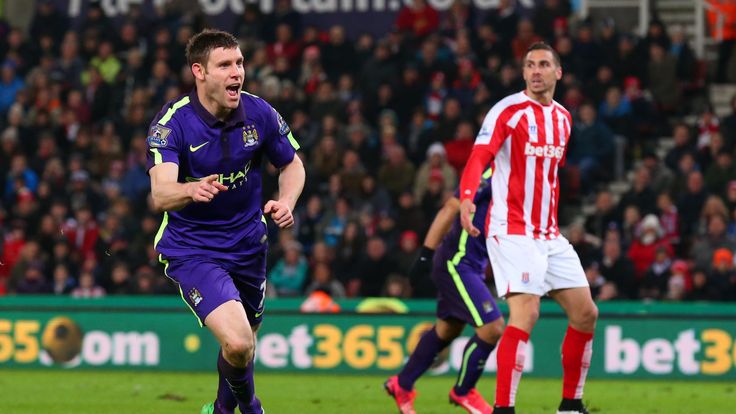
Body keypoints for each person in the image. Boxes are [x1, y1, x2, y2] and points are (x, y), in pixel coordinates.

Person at [146, 29, 305, 414]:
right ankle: (252, 408)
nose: (237, 73)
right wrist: (190, 189)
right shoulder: (173, 123)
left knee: (242, 346)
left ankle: (220, 410)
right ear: (199, 71)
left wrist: (286, 201)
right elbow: (161, 193)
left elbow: (292, 164)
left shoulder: (260, 113)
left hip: (249, 245)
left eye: (239, 63)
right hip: (193, 249)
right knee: (238, 344)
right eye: (225, 65)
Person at [458, 42, 598, 414]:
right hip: (511, 229)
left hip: (548, 234)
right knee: (527, 312)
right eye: (530, 65)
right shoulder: (508, 110)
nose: (537, 71)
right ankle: (504, 409)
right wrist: (468, 196)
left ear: (558, 73)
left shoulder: (564, 119)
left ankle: (570, 405)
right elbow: (479, 157)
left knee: (586, 313)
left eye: (544, 65)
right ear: (523, 73)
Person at [385, 173, 504, 414]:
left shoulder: (519, 175)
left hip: (474, 265)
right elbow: (450, 207)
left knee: (448, 328)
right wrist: (424, 254)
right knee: (492, 328)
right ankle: (464, 391)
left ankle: (402, 383)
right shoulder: (490, 172)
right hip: (457, 263)